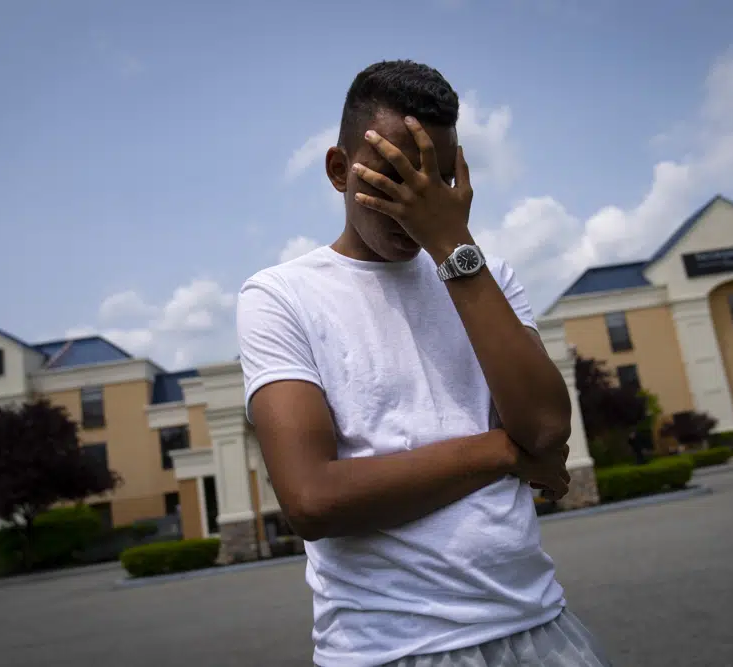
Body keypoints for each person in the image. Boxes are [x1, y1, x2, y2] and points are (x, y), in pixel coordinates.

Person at [237, 60, 613, 667]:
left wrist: (452, 247)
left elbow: (546, 426)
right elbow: (311, 498)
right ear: (339, 170)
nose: (414, 204)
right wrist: (503, 453)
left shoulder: (486, 277)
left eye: (434, 181)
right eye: (393, 177)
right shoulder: (280, 296)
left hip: (541, 624)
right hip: (392, 650)